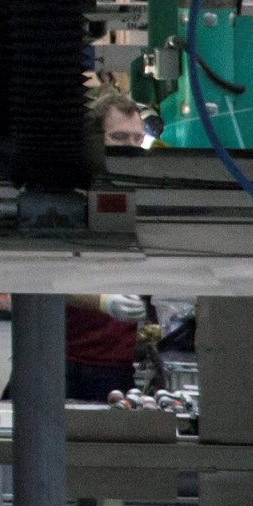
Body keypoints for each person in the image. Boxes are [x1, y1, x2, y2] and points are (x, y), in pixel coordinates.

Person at [67, 96, 154, 398]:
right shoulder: (72, 196)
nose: (129, 147)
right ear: (94, 140)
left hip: (117, 366)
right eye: (118, 138)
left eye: (136, 139)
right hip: (66, 362)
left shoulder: (144, 196)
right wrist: (103, 301)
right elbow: (41, 279)